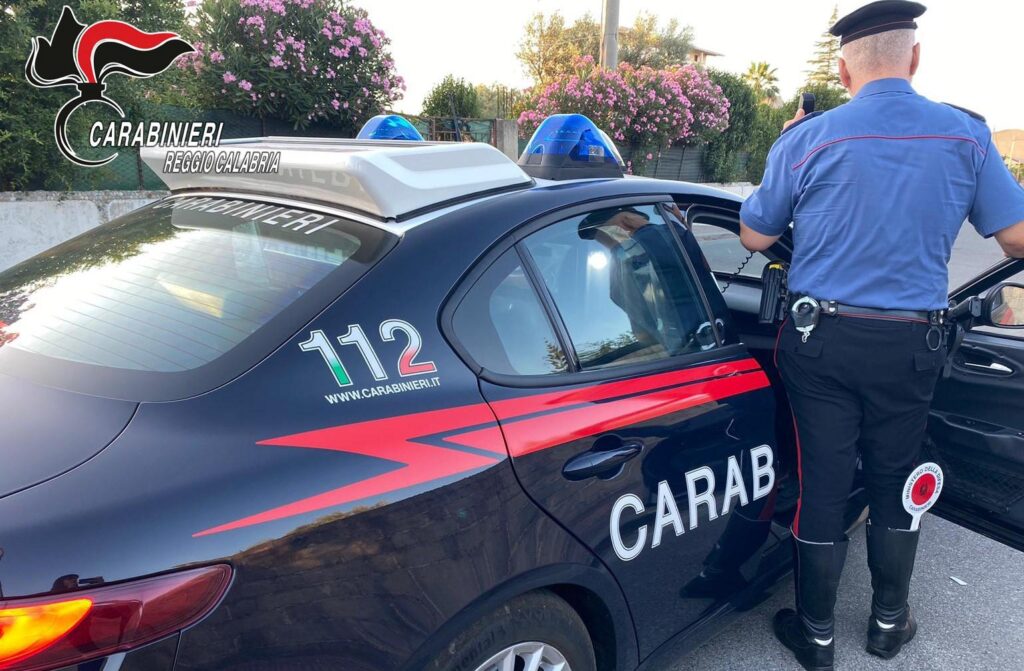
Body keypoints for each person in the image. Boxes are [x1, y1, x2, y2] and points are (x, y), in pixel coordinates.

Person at [737, 2, 1024, 670]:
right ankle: (889, 625)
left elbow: (752, 234)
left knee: (824, 482)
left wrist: (787, 147)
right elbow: (1016, 238)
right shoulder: (967, 136)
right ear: (914, 58)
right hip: (911, 346)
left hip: (821, 342)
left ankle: (816, 637)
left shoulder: (807, 139)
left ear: (843, 71)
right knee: (896, 479)